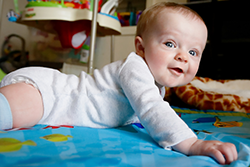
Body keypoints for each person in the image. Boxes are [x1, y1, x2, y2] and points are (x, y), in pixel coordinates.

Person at [0, 2, 237, 165]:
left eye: (194, 51)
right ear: (141, 47)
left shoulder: (157, 84)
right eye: (170, 44)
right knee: (10, 112)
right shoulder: (135, 67)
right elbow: (151, 108)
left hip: (53, 99)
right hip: (49, 95)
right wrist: (192, 143)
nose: (183, 56)